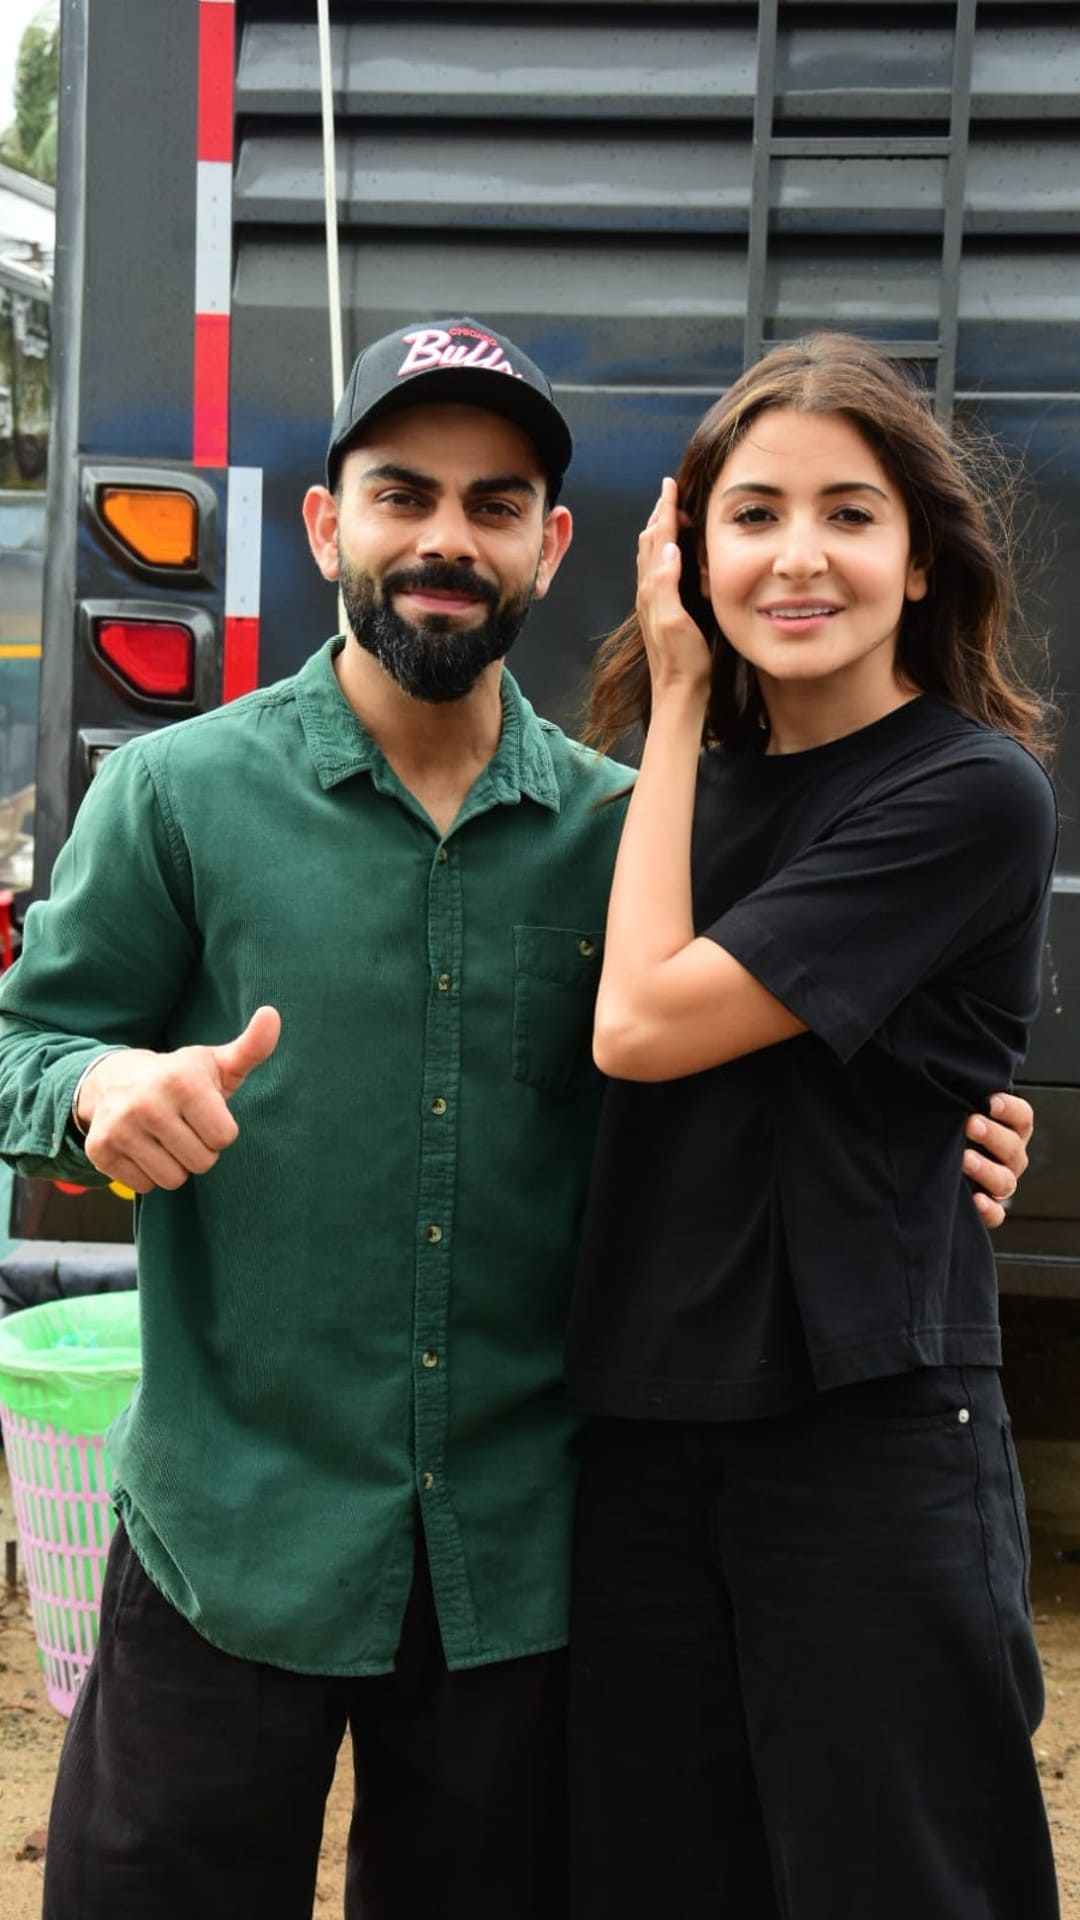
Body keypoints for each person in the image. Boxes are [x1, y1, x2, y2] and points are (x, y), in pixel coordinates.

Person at [0, 319, 1031, 1920]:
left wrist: (953, 1137)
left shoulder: (636, 838)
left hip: (516, 1570)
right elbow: (25, 1046)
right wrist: (98, 1084)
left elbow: (790, 1060)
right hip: (228, 1541)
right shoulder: (178, 798)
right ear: (327, 524)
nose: (442, 540)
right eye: (402, 494)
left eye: (493, 506)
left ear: (553, 549)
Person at [566, 332, 1060, 1919]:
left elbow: (640, 1027)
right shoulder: (652, 801)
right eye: (754, 514)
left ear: (921, 562)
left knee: (893, 1874)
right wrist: (677, 740)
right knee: (656, 1872)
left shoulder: (969, 790)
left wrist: (682, 692)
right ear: (688, 554)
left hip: (868, 1422)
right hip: (641, 1426)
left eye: (850, 515)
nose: (799, 556)